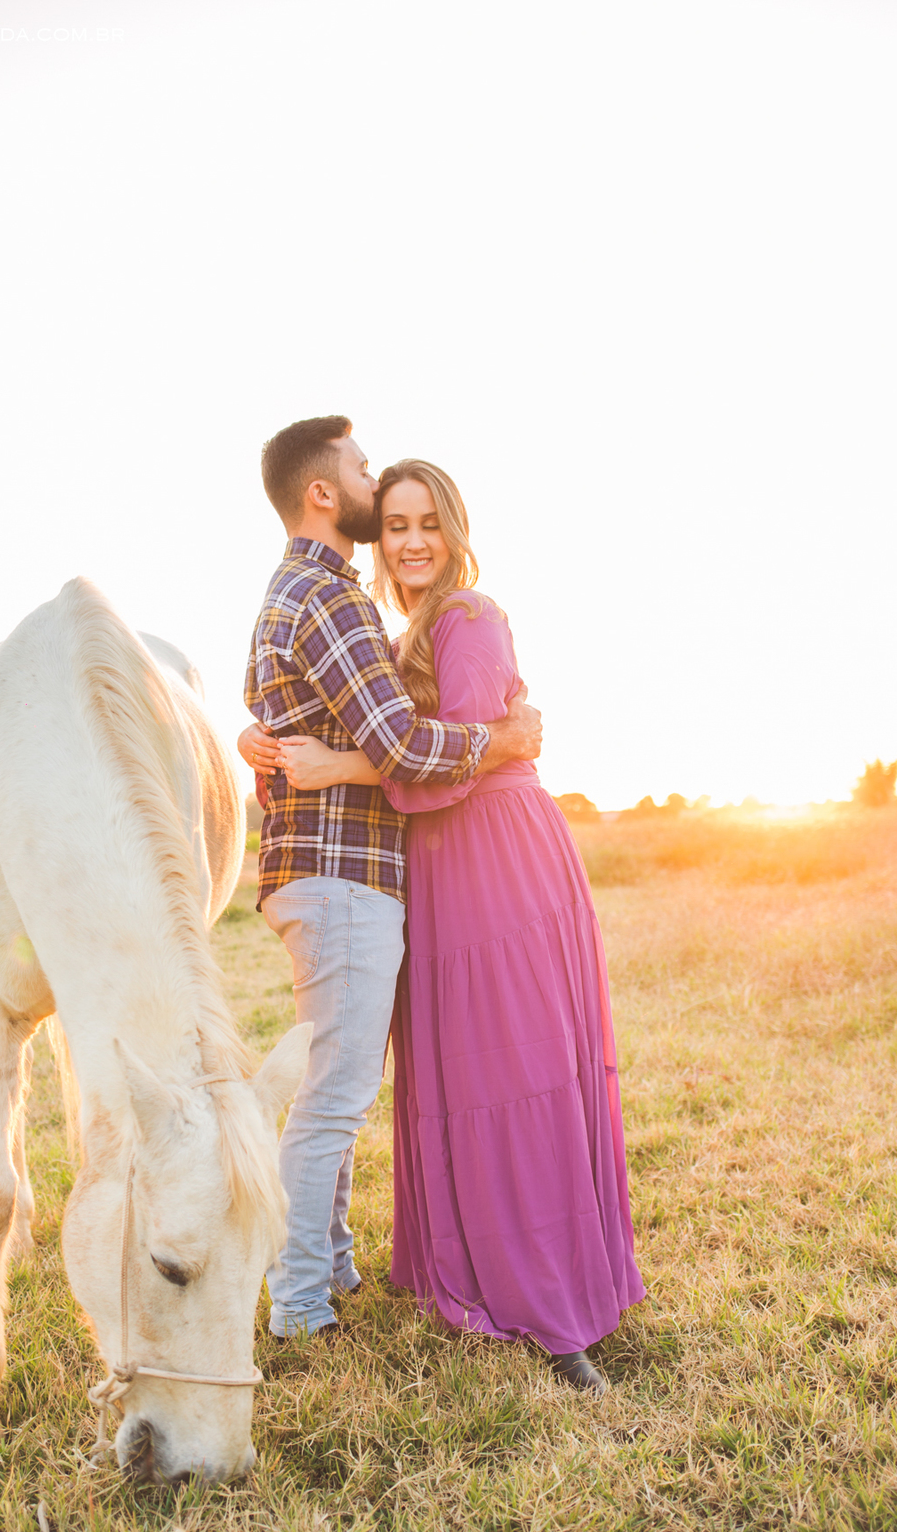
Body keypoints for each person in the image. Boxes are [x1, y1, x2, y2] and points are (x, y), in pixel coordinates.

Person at [270, 459, 644, 1392]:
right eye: (394, 524)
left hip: (494, 856)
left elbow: (450, 762)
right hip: (438, 865)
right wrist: (268, 743)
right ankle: (473, 1269)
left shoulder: (469, 618)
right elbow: (410, 743)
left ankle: (553, 1309)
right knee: (461, 1079)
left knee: (516, 1074)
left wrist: (341, 768)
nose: (410, 541)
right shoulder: (407, 633)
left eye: (427, 521)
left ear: (455, 525)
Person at [242, 419, 542, 1343]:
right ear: (325, 492)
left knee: (338, 1083)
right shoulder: (330, 599)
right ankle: (296, 1302)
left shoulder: (298, 593)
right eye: (366, 471)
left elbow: (280, 730)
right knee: (334, 1097)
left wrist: (272, 749)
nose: (375, 484)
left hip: (328, 875)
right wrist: (500, 741)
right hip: (339, 877)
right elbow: (404, 744)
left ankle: (328, 1260)